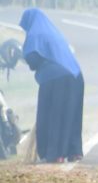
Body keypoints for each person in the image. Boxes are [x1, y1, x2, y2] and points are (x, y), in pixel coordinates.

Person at [18, 9, 84, 163]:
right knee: (71, 114)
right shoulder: (54, 34)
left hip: (55, 79)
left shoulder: (35, 34)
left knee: (52, 115)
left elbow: (32, 58)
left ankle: (55, 154)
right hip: (76, 76)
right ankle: (74, 151)